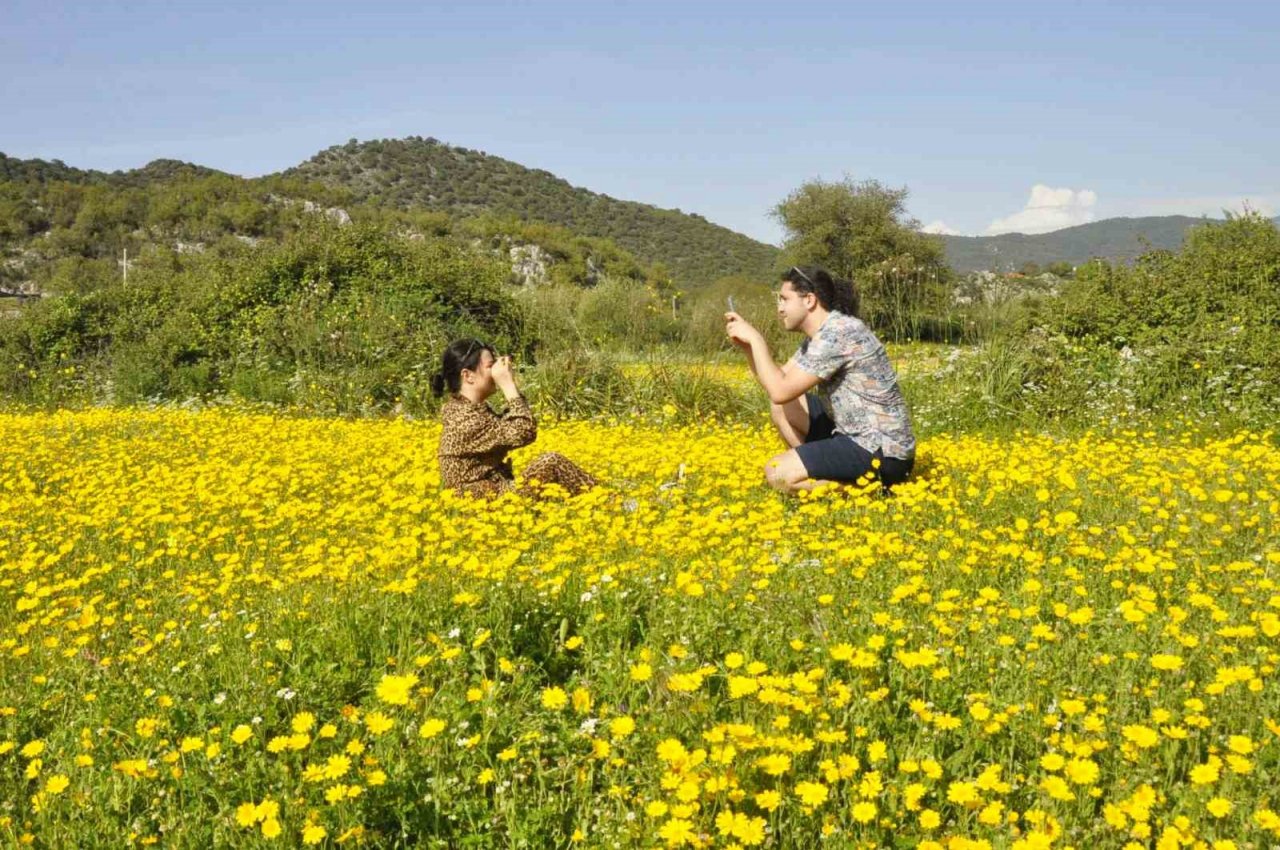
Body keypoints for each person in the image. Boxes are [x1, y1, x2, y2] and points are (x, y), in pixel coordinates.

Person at [724, 265, 915, 494]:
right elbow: (777, 384)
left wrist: (756, 339)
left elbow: (780, 389)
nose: (780, 308)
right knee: (781, 406)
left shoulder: (839, 332)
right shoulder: (820, 335)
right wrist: (748, 349)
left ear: (809, 300)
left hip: (880, 450)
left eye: (784, 299)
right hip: (850, 435)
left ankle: (870, 489)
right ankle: (814, 470)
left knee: (778, 474)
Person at [431, 338, 597, 499]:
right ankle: (609, 501)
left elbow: (510, 424)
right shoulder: (465, 418)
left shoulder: (465, 409)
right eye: (491, 366)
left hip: (490, 494)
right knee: (551, 462)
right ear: (468, 376)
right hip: (482, 502)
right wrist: (508, 386)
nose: (497, 371)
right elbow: (524, 431)